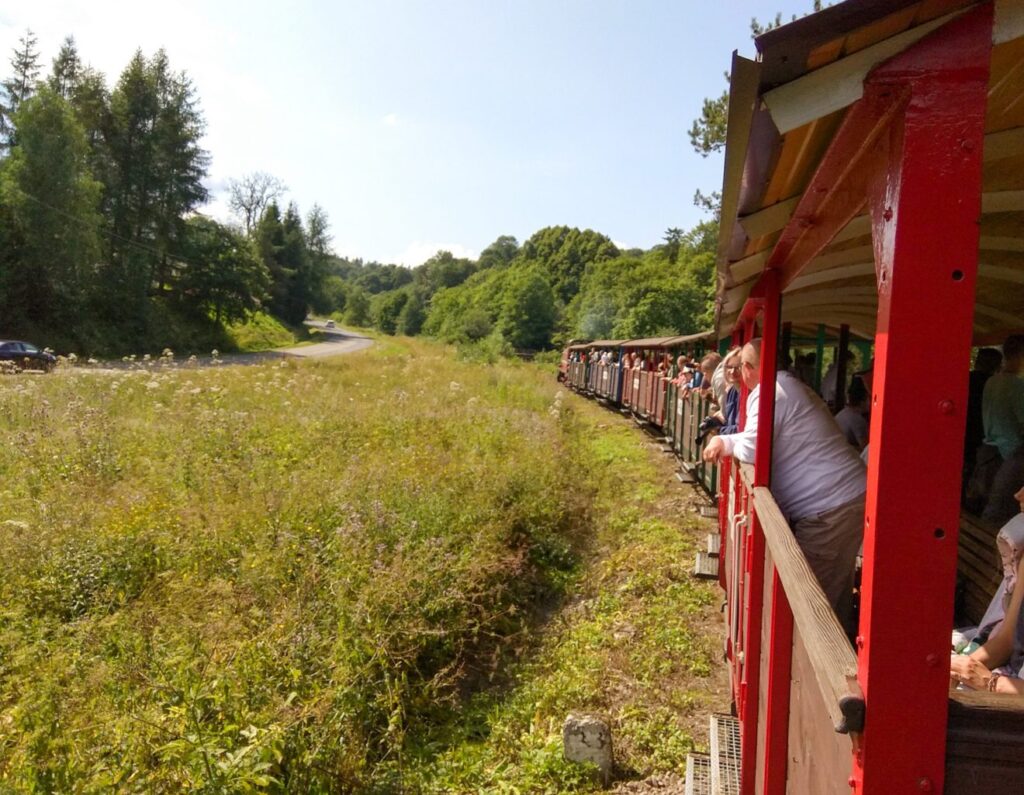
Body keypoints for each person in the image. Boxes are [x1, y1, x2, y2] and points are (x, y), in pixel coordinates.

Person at [703, 339, 867, 632]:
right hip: (839, 500)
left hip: (829, 508)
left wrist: (724, 441)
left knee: (813, 597)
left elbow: (752, 448)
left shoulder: (769, 393)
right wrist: (725, 440)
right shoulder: (784, 386)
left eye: (741, 367)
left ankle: (829, 672)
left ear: (750, 368)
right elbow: (754, 437)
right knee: (830, 588)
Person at [950, 486, 1024, 694]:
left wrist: (990, 683)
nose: (1018, 494)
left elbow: (989, 683)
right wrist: (959, 669)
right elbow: (1007, 640)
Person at [980, 335, 1024, 525]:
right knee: (1006, 515)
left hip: (987, 454)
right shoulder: (1017, 386)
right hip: (1010, 458)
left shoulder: (991, 381)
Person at [963, 348, 1003, 506]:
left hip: (959, 438)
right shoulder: (994, 386)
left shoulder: (963, 379)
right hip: (980, 442)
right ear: (997, 366)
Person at [834, 378, 870, 451]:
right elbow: (866, 450)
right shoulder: (857, 420)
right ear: (863, 400)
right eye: (870, 398)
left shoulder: (842, 413)